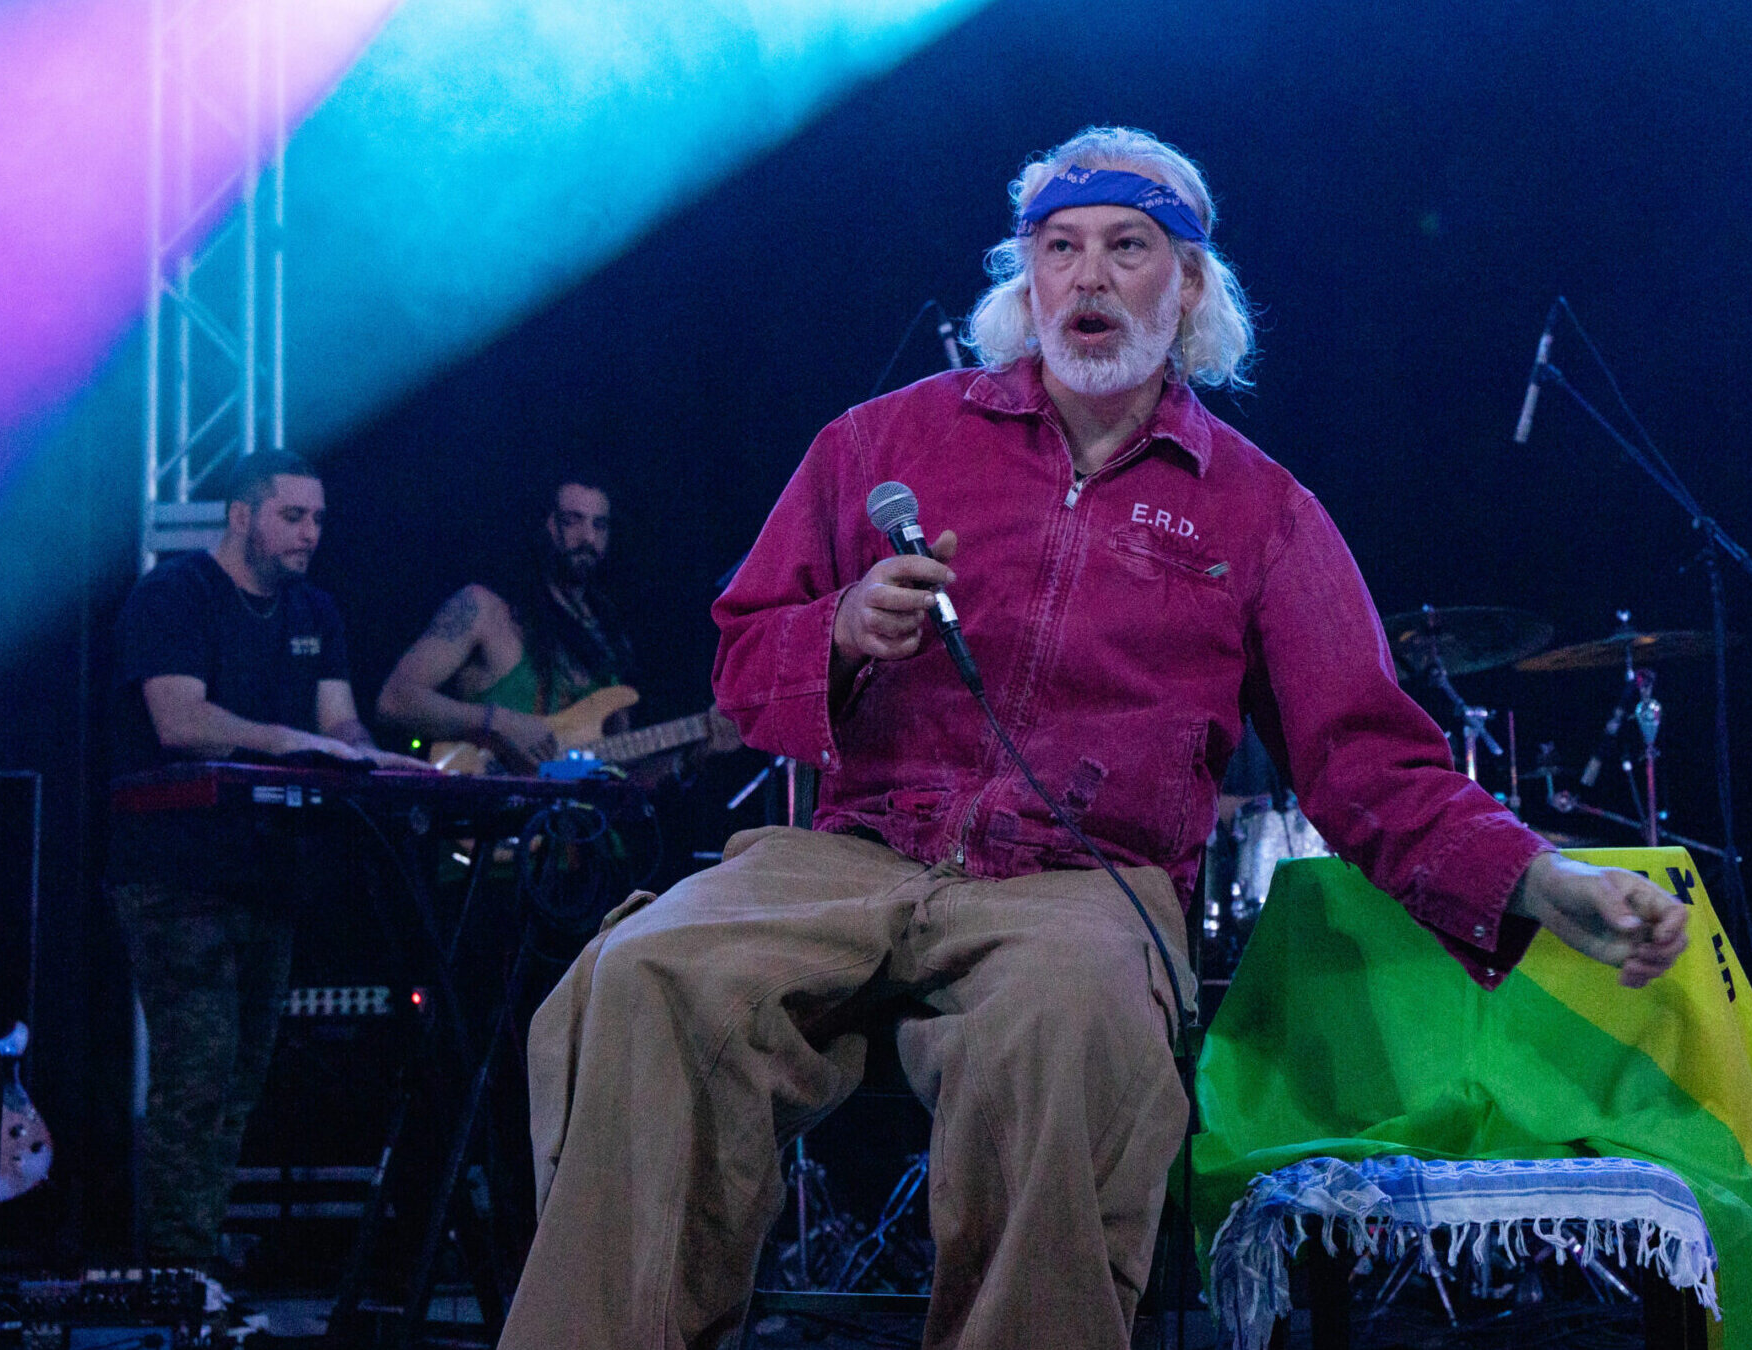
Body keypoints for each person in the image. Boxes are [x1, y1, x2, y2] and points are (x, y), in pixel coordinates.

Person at [495, 128, 1689, 1349]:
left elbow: (1371, 759)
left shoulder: (1263, 511)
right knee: (645, 976)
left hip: (1083, 888)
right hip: (852, 857)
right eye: (1059, 249)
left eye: (1130, 248)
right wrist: (842, 630)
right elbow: (744, 664)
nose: (1090, 277)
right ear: (1025, 280)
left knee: (1066, 1029)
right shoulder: (878, 444)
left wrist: (1537, 878)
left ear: (1191, 287)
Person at [106, 449, 419, 1269]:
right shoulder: (173, 595)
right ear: (242, 515)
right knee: (196, 1076)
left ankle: (194, 1262)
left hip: (270, 878)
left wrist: (374, 757)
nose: (311, 533)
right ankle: (176, 1276)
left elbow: (340, 720)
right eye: (293, 516)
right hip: (176, 877)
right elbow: (180, 720)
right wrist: (290, 741)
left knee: (239, 1086)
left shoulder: (315, 610)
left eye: (318, 518)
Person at [376, 476, 641, 772]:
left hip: (573, 815)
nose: (588, 538)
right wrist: (498, 723)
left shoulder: (610, 637)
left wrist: (686, 759)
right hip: (487, 808)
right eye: (571, 521)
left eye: (599, 525)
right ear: (544, 525)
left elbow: (622, 765)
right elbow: (394, 701)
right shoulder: (484, 608)